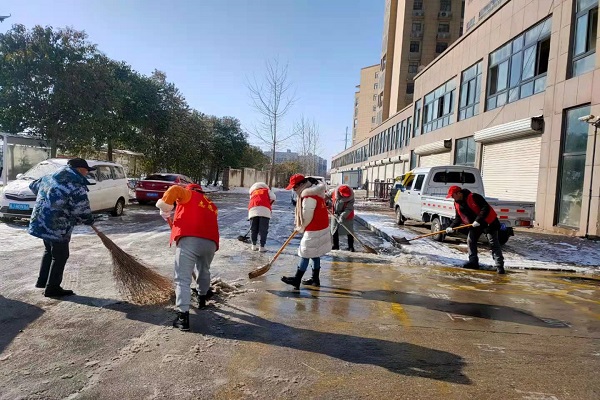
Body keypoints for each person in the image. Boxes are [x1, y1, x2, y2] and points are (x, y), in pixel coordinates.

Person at [28, 158, 96, 297]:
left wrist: (47, 198)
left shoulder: (49, 177)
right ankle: (52, 288)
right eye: (86, 170)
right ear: (79, 169)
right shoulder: (75, 184)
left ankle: (42, 281)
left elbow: (33, 186)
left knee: (49, 251)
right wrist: (88, 220)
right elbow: (81, 209)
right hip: (57, 225)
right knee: (61, 255)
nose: (87, 173)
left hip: (40, 220)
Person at [156, 183, 219, 331]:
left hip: (190, 240)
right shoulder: (211, 204)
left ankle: (182, 317)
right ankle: (202, 298)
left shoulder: (189, 194)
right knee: (204, 270)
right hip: (210, 243)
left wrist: (165, 206)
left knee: (182, 278)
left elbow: (175, 189)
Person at [281, 174, 331, 289]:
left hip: (314, 229)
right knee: (315, 253)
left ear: (301, 185)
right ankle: (315, 279)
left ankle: (297, 279)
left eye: (294, 187)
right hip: (321, 226)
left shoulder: (309, 196)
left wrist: (301, 227)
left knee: (305, 253)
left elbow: (307, 216)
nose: (294, 190)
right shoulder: (315, 192)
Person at [445, 185, 506, 274]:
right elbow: (458, 217)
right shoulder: (457, 203)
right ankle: (473, 262)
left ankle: (499, 266)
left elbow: (485, 208)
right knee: (470, 241)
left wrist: (478, 220)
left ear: (459, 193)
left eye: (453, 195)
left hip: (488, 222)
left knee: (493, 243)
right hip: (475, 225)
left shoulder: (474, 197)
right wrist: (451, 227)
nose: (452, 197)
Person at [247, 182, 276, 252]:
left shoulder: (253, 192)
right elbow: (273, 197)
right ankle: (262, 247)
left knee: (253, 229)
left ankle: (253, 245)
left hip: (253, 209)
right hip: (264, 210)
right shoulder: (266, 190)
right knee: (263, 230)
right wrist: (269, 202)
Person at [329, 184, 356, 252]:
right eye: (344, 195)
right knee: (334, 230)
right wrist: (324, 200)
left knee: (349, 231)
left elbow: (349, 209)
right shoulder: (334, 192)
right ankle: (335, 246)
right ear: (340, 192)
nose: (345, 196)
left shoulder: (351, 197)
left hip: (347, 215)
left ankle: (351, 246)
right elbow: (326, 195)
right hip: (335, 214)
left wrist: (342, 216)